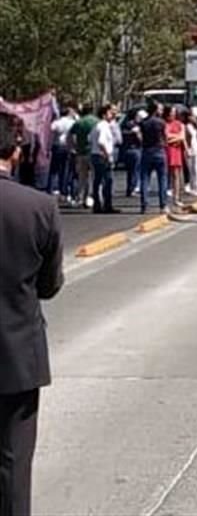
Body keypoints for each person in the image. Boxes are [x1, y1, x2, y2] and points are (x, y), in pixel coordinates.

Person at [0, 112, 64, 516]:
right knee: (13, 462)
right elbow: (49, 285)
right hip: (17, 353)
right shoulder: (39, 207)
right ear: (16, 150)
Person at [90, 104, 119, 214]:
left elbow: (90, 139)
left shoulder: (96, 126)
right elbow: (101, 142)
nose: (112, 115)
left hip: (95, 155)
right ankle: (107, 205)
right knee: (108, 181)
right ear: (104, 115)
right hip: (102, 156)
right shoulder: (103, 126)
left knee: (97, 181)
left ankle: (97, 205)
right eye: (110, 113)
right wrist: (107, 155)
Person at [139, 100, 168, 214]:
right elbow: (165, 136)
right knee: (162, 179)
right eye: (160, 109)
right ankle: (163, 205)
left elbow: (141, 136)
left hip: (146, 151)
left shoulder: (143, 122)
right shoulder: (161, 122)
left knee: (145, 179)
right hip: (159, 150)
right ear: (156, 110)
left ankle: (144, 205)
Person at [69, 105, 97, 209]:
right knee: (95, 176)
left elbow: (71, 135)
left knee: (82, 177)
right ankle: (92, 197)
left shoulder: (78, 123)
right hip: (93, 152)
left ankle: (80, 198)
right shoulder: (96, 122)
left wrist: (73, 147)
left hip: (80, 152)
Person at [48, 103, 76, 200]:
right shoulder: (72, 122)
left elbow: (50, 129)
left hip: (57, 146)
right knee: (65, 170)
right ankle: (63, 190)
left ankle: (50, 189)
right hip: (67, 147)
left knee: (53, 170)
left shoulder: (57, 122)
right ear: (68, 113)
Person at [164, 105, 186, 208]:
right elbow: (166, 137)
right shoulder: (164, 124)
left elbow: (182, 137)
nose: (172, 114)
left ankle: (176, 198)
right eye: (171, 113)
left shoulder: (179, 124)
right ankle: (164, 198)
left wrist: (173, 138)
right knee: (165, 175)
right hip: (167, 150)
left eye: (174, 113)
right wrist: (176, 138)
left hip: (176, 151)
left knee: (176, 175)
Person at [120, 109, 144, 198]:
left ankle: (129, 188)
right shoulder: (135, 126)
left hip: (126, 150)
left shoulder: (124, 126)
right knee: (135, 171)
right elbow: (140, 139)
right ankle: (132, 189)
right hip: (135, 150)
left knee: (130, 171)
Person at [184, 110, 197, 196]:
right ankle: (192, 187)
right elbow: (187, 138)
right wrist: (187, 149)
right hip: (190, 149)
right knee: (191, 169)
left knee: (196, 168)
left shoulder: (196, 126)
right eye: (192, 116)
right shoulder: (186, 126)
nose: (194, 118)